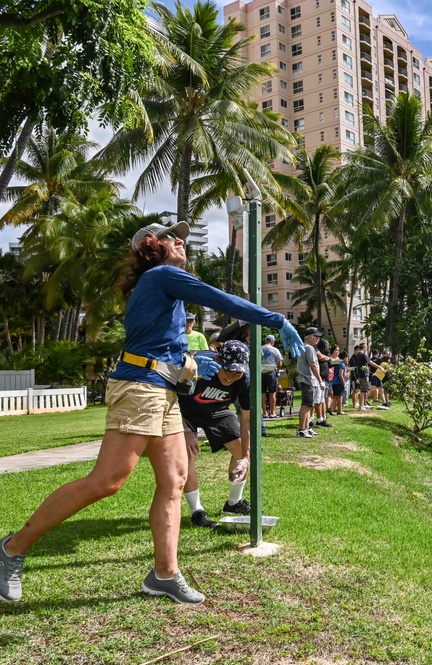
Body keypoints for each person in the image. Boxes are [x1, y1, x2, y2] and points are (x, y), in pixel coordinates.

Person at [0, 220, 305, 605]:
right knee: (108, 480)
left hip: (163, 392)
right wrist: (276, 319)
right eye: (170, 237)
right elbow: (219, 298)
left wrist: (195, 359)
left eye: (181, 236)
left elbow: (161, 343)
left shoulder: (164, 289)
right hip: (140, 389)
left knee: (175, 479)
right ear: (150, 246)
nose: (180, 241)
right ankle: (12, 548)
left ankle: (164, 573)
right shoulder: (162, 275)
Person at [178, 340, 255, 528]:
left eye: (236, 374)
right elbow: (170, 398)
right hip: (183, 411)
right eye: (227, 372)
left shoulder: (245, 380)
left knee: (241, 450)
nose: (230, 379)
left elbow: (246, 420)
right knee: (186, 453)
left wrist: (245, 457)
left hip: (217, 410)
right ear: (218, 360)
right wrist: (186, 431)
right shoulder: (197, 365)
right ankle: (197, 512)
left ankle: (233, 503)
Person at [296, 328, 325, 437]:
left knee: (310, 405)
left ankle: (307, 427)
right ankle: (302, 429)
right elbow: (313, 365)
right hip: (308, 380)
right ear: (309, 337)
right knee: (306, 405)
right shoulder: (309, 348)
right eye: (316, 336)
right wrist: (320, 381)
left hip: (309, 381)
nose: (318, 339)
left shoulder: (306, 348)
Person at [261, 334, 283, 419]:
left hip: (261, 371)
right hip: (271, 371)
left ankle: (264, 412)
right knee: (272, 392)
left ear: (265, 341)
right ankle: (272, 412)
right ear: (272, 342)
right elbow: (280, 363)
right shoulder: (275, 350)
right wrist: (278, 369)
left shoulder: (259, 348)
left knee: (262, 393)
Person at [313, 333, 332, 428]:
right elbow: (321, 357)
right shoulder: (313, 349)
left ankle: (320, 419)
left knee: (320, 400)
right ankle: (311, 420)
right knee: (316, 400)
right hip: (317, 378)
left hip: (323, 378)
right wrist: (329, 358)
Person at [349, 343, 373, 410]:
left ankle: (362, 404)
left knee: (361, 391)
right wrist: (379, 367)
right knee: (360, 391)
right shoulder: (359, 356)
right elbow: (353, 369)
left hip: (359, 375)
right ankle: (359, 405)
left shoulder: (357, 356)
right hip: (360, 376)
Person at [329, 350, 348, 415]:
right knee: (340, 397)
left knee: (336, 396)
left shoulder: (337, 363)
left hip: (334, 381)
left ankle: (331, 408)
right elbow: (341, 374)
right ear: (345, 358)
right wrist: (344, 383)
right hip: (339, 382)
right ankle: (340, 411)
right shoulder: (342, 364)